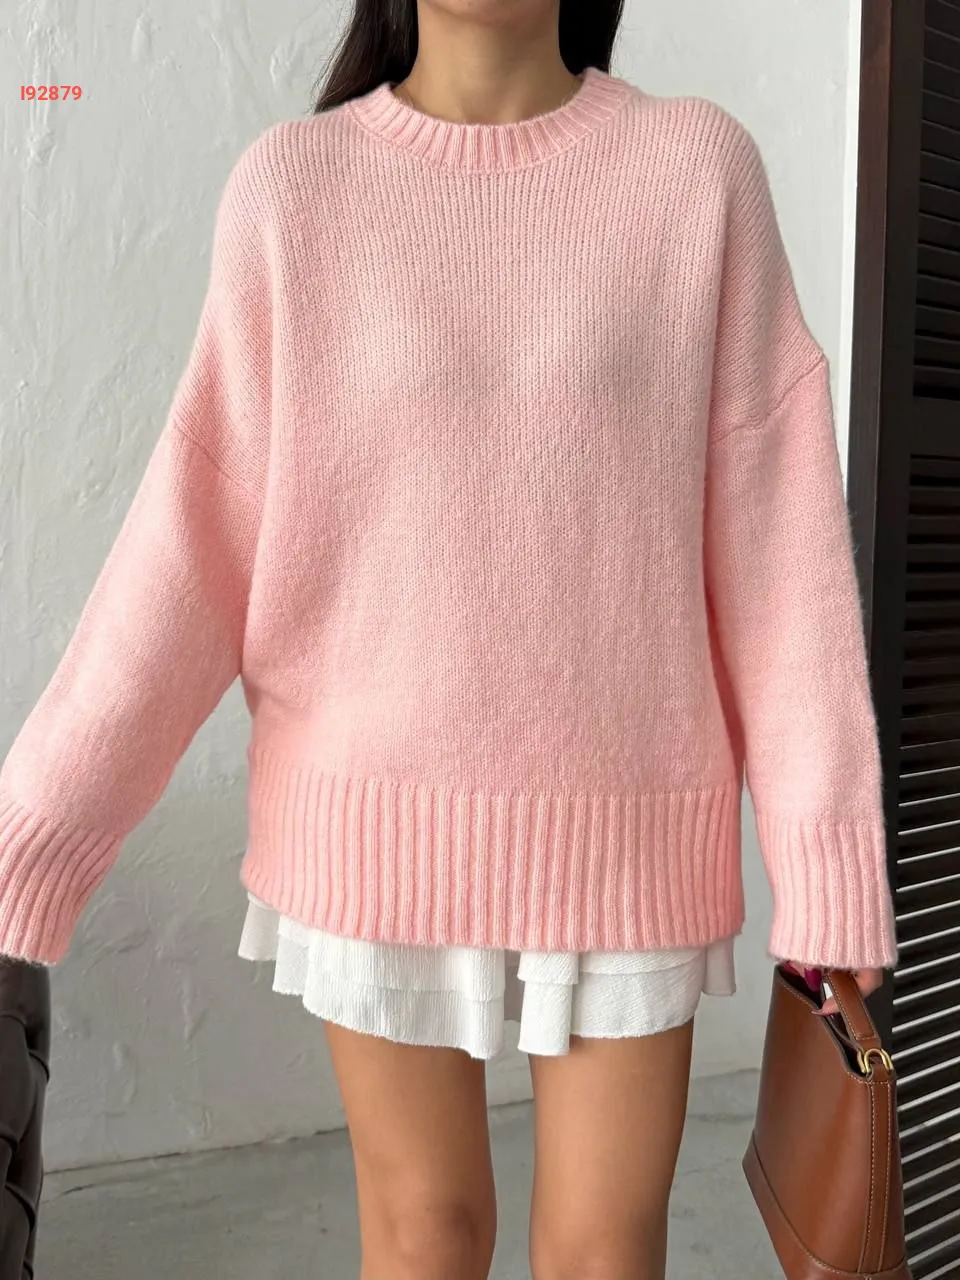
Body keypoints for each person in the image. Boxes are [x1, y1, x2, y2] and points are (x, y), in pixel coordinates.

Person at [0, 2, 897, 1278]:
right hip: (369, 824)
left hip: (628, 831)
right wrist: (36, 829)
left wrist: (825, 862)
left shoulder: (696, 173)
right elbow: (187, 551)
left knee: (603, 1252)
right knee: (426, 1236)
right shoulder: (296, 193)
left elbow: (779, 557)